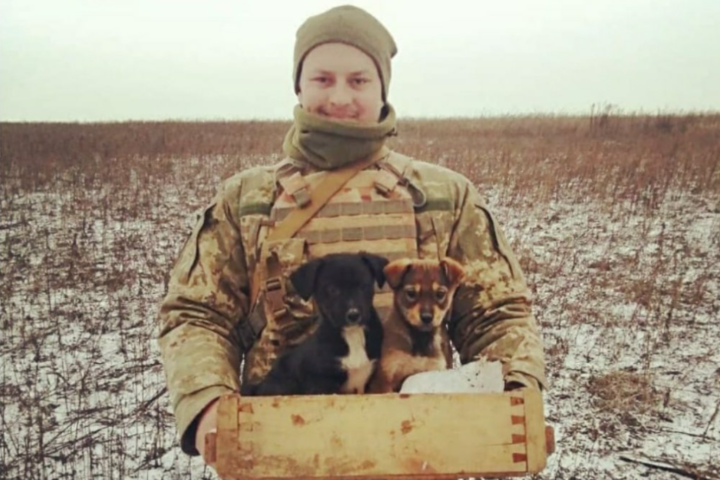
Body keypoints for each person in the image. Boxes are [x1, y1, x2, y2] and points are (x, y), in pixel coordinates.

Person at [157, 4, 546, 460]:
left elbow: (496, 314)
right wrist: (209, 405)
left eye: (359, 80)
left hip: (418, 446)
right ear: (298, 86)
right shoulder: (246, 199)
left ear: (382, 89)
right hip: (281, 445)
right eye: (322, 79)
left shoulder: (444, 195)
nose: (340, 97)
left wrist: (515, 395)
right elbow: (197, 315)